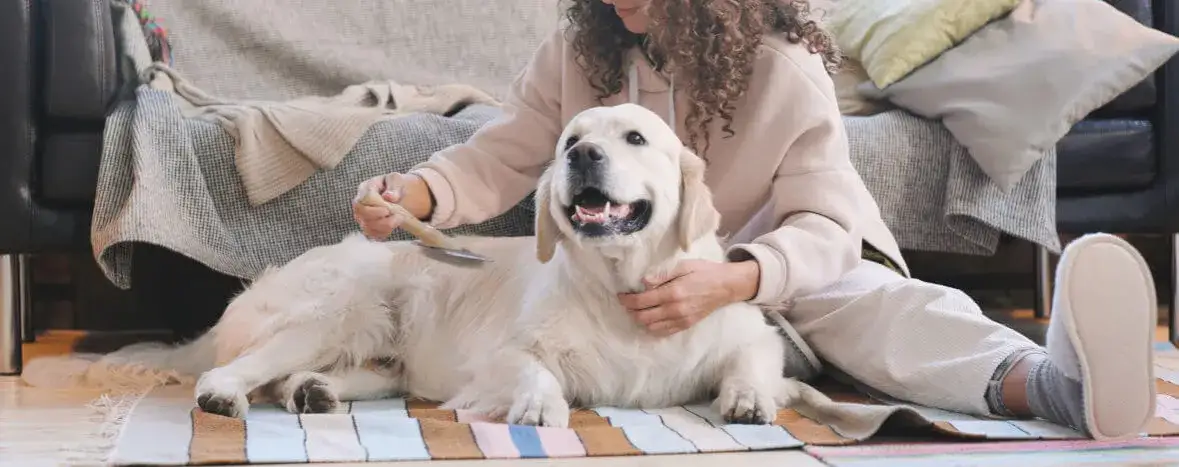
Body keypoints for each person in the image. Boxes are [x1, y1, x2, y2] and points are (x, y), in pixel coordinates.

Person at [352, 0, 1158, 440]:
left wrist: (737, 278)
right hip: (624, 269)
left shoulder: (782, 65)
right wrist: (413, 196)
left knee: (880, 312)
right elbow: (501, 155)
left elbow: (827, 220)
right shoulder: (575, 57)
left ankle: (1055, 383)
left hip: (780, 264)